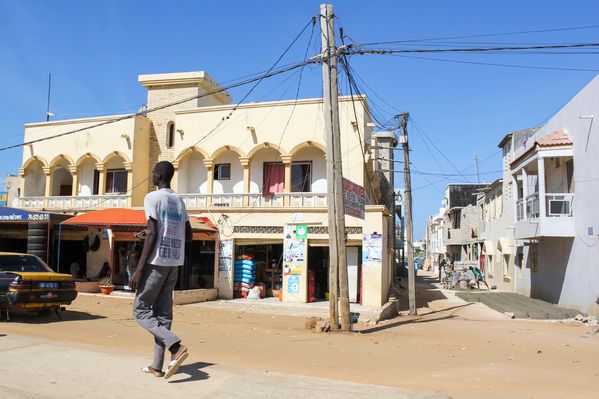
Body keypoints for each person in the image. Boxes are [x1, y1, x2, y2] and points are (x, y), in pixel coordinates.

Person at [129, 161, 192, 379]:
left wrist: (138, 270)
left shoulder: (152, 198)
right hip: (174, 263)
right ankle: (157, 366)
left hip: (155, 263)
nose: (152, 176)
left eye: (153, 172)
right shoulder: (179, 201)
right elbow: (189, 234)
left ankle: (176, 346)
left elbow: (153, 232)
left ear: (159, 175)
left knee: (140, 311)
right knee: (163, 316)